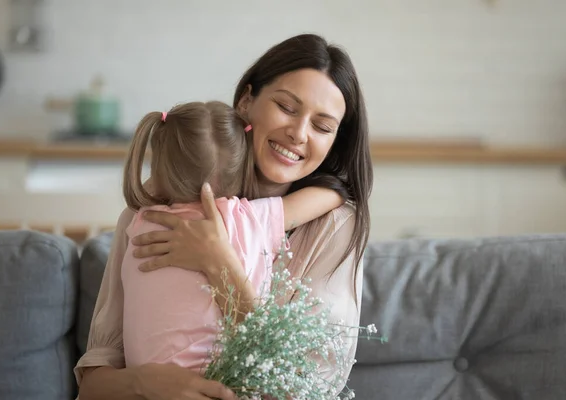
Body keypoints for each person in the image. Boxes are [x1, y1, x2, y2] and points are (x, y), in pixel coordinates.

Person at [75, 33, 373, 400]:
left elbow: (307, 390)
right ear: (247, 100)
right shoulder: (158, 204)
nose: (298, 133)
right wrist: (142, 382)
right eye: (287, 107)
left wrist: (220, 264)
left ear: (333, 143)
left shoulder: (335, 226)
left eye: (322, 127)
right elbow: (92, 387)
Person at [118, 100, 344, 373]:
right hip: (210, 383)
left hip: (145, 386)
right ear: (241, 170)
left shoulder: (140, 221)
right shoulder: (239, 219)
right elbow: (330, 196)